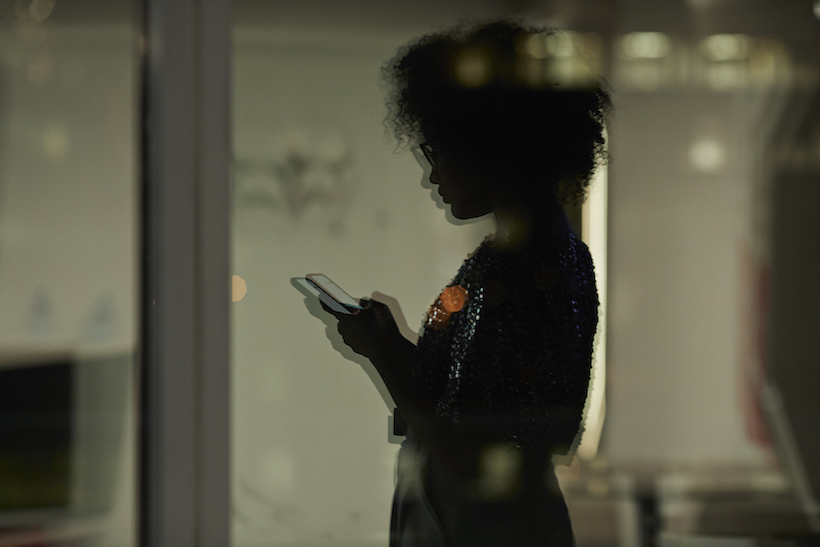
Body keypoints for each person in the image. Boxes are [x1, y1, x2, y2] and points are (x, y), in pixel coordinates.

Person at [314, 19, 610, 547]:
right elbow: (458, 402)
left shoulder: (537, 270)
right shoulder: (508, 262)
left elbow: (474, 454)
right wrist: (386, 343)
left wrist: (382, 354)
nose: (432, 175)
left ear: (488, 147)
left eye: (436, 151)